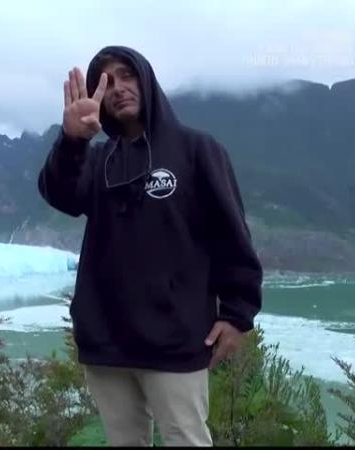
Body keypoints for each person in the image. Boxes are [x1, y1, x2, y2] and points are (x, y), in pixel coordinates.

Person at [37, 45, 263, 446]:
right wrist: (72, 142)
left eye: (127, 75)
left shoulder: (197, 150)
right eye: (105, 82)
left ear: (147, 80)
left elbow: (231, 234)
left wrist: (237, 312)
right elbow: (61, 195)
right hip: (106, 340)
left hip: (176, 338)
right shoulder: (98, 158)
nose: (118, 88)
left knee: (186, 439)